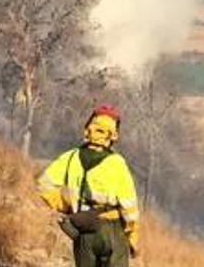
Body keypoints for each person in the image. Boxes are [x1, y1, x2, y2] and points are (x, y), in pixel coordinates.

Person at [37, 104, 140, 267]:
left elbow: (43, 185)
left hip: (84, 229)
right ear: (113, 135)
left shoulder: (70, 157)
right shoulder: (117, 163)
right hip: (112, 231)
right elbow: (129, 207)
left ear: (88, 128)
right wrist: (132, 236)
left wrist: (65, 205)